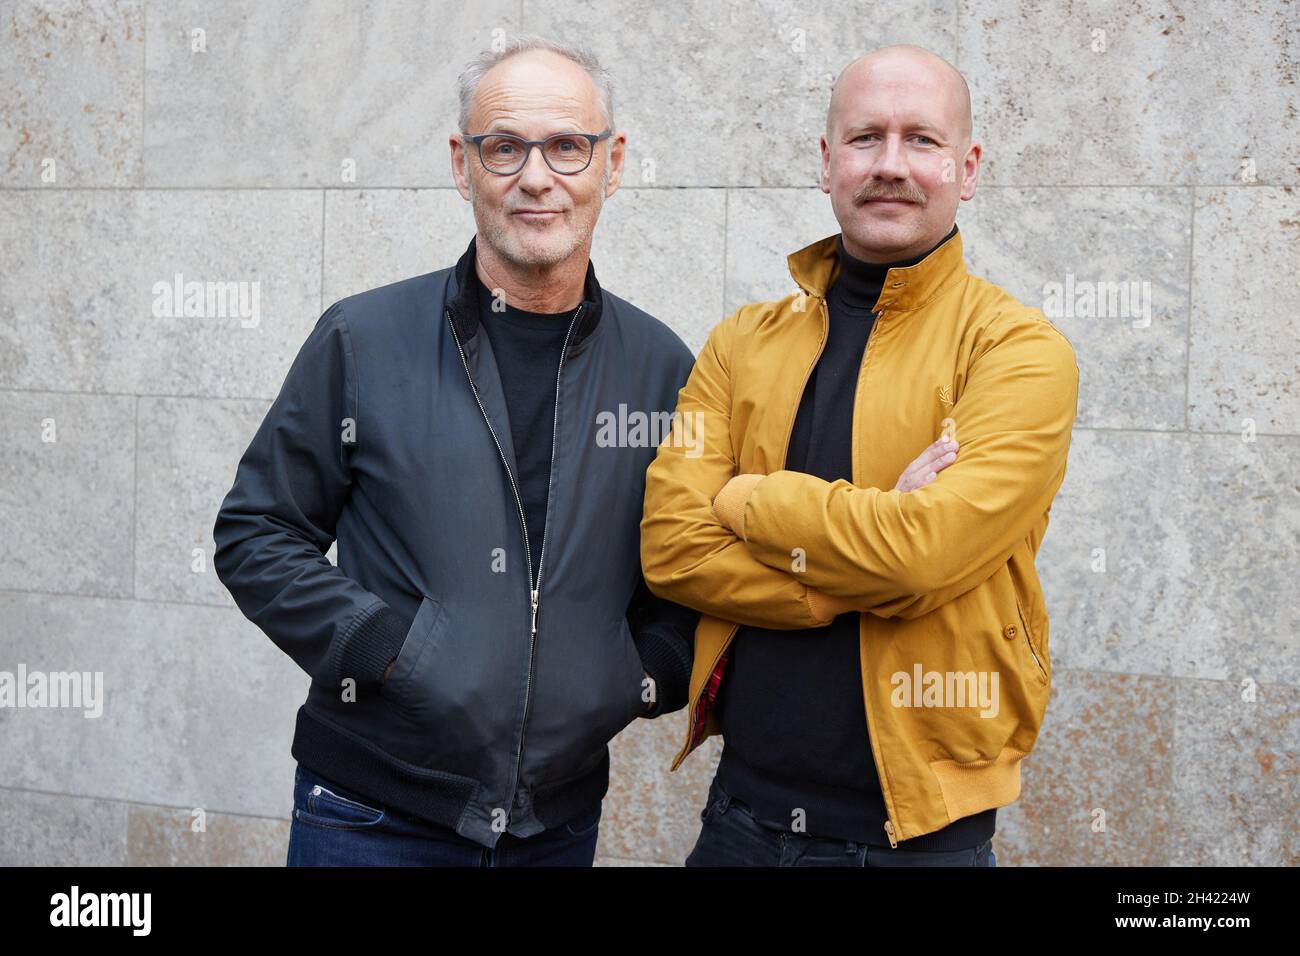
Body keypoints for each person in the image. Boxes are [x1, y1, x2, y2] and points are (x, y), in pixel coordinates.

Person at [214, 37, 698, 867]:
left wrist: (638, 671)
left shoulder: (662, 368)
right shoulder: (363, 338)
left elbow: (692, 565)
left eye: (568, 147)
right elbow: (257, 532)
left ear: (611, 164)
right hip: (371, 814)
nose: (536, 178)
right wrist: (386, 651)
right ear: (462, 164)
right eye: (504, 147)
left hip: (559, 825)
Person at [641, 44, 1079, 867]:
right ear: (827, 161)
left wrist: (744, 500)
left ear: (968, 167)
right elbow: (670, 549)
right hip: (739, 822)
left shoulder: (1017, 351)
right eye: (865, 137)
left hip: (919, 841)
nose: (890, 165)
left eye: (922, 139)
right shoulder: (740, 343)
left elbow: (920, 556)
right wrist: (848, 578)